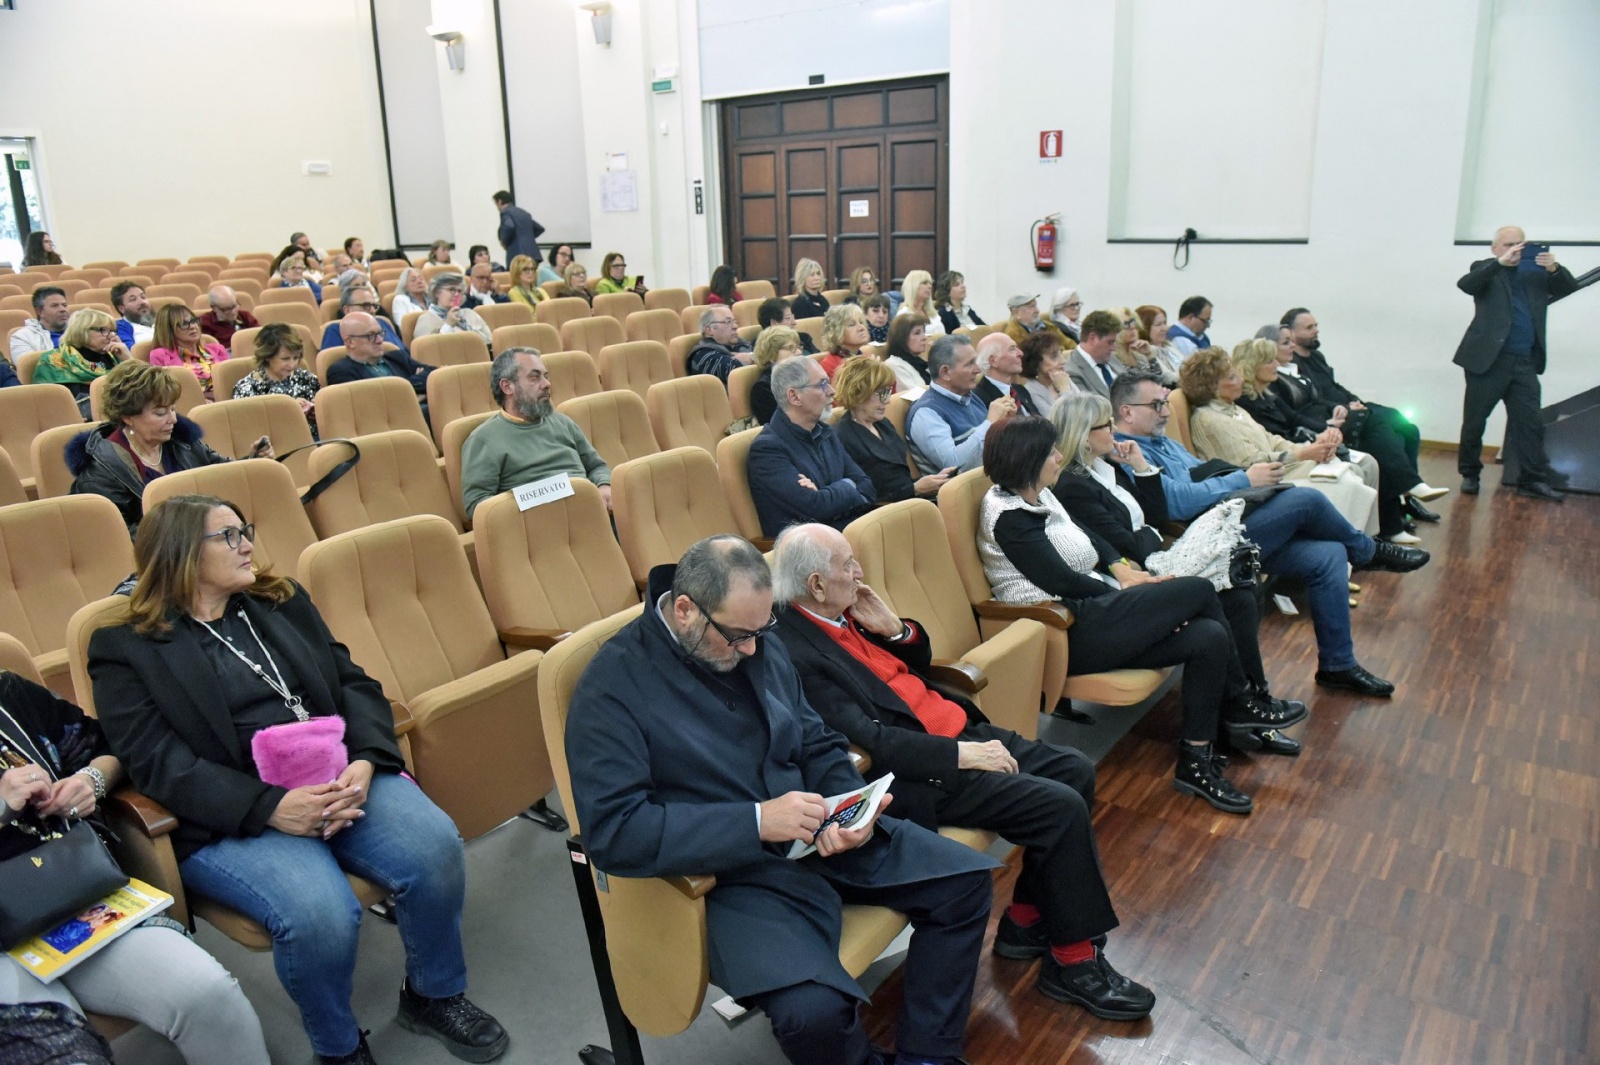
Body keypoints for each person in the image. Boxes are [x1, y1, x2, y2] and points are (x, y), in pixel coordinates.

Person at [88, 494, 510, 1065]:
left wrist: (365, 757)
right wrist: (271, 807)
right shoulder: (125, 646)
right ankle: (337, 1048)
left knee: (435, 846)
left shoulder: (279, 601)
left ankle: (433, 994)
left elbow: (353, 682)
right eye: (229, 536)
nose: (247, 545)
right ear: (182, 552)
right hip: (232, 810)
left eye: (246, 530)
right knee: (320, 914)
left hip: (339, 775)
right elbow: (158, 763)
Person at [565, 534, 998, 1065]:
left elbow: (814, 738)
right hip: (731, 873)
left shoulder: (749, 629)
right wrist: (755, 822)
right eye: (738, 637)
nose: (753, 649)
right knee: (812, 1012)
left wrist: (849, 804)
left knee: (967, 882)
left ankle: (927, 1055)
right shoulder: (612, 687)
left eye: (760, 631)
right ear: (684, 610)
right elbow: (615, 831)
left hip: (816, 830)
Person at [771, 523, 1157, 1018]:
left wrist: (894, 629)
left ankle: (1024, 921)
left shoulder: (845, 611)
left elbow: (918, 666)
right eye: (847, 564)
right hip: (922, 770)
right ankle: (1073, 962)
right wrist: (961, 756)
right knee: (1058, 807)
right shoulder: (795, 651)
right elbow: (873, 744)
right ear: (816, 585)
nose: (859, 572)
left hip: (956, 729)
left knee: (1075, 769)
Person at [978, 418, 1300, 813]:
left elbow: (1086, 537)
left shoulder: (1040, 493)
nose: (1060, 456)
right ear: (1027, 460)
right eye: (1051, 452)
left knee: (1208, 637)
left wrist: (1118, 568)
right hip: (1065, 629)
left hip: (1095, 610)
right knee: (1199, 590)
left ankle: (1196, 761)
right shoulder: (1008, 514)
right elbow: (1062, 580)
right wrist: (1136, 594)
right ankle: (1241, 704)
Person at [0, 663, 271, 1065]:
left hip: (73, 892)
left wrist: (89, 781)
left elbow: (110, 747)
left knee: (207, 993)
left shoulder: (10, 694)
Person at [1111, 369, 1428, 697]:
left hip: (1228, 521)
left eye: (1165, 402)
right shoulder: (1125, 451)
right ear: (1127, 411)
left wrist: (1240, 481)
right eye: (1157, 404)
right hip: (1201, 540)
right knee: (1306, 498)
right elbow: (1176, 503)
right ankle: (1368, 551)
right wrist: (1244, 479)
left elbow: (1199, 477)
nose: (1165, 411)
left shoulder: (1162, 441)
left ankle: (1338, 665)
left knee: (1329, 555)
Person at [1049, 391, 1308, 754]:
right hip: (1140, 570)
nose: (1113, 431)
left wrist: (1140, 467)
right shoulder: (1072, 486)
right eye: (1105, 425)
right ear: (1082, 434)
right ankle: (1243, 707)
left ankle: (1248, 705)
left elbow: (1154, 515)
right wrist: (1148, 536)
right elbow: (1129, 544)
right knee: (1229, 596)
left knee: (1243, 592)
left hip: (1158, 557)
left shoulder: (1107, 467)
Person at [1183, 346, 1378, 534]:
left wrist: (1311, 447)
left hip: (1278, 468)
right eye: (1233, 377)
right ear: (1212, 388)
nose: (1242, 379)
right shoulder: (1209, 419)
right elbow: (1247, 464)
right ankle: (1359, 545)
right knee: (1346, 478)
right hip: (1261, 483)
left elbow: (1272, 440)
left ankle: (1363, 542)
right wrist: (1303, 454)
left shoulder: (1234, 409)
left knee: (1348, 469)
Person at [66, 362, 272, 536]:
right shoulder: (100, 471)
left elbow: (220, 473)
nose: (173, 419)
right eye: (160, 413)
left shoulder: (183, 442)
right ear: (128, 417)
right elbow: (120, 538)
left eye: (172, 409)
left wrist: (252, 460)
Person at [1232, 338, 1402, 540]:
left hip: (1297, 447)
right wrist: (1308, 448)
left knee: (1369, 462)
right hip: (1286, 457)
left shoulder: (1267, 394)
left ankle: (1370, 535)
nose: (1277, 364)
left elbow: (1294, 419)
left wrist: (1326, 430)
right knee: (1353, 469)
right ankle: (1355, 541)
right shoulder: (1245, 401)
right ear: (1253, 365)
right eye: (1270, 361)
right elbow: (1273, 440)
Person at [1281, 308, 1446, 514]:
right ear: (1292, 333)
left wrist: (1354, 400)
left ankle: (1408, 493)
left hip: (1348, 406)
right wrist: (1344, 407)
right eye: (1309, 327)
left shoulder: (1316, 356)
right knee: (1384, 427)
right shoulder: (1293, 365)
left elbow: (1335, 386)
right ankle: (1408, 487)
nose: (1316, 330)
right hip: (1335, 414)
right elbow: (1315, 399)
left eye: (1316, 325)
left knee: (1407, 428)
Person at [1454, 225, 1578, 501]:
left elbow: (1570, 287)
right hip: (1487, 361)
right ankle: (1470, 474)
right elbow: (1466, 284)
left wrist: (1555, 269)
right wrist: (1500, 264)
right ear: (1495, 248)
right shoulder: (1486, 267)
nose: (1516, 249)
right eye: (1509, 244)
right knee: (1475, 421)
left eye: (1521, 243)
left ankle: (1531, 479)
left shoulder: (1536, 273)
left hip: (1524, 361)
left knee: (1529, 423)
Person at [460, 348, 611, 521]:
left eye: (546, 376)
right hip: (537, 528)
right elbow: (477, 505)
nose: (546, 384)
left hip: (592, 514)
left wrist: (604, 486)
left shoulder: (563, 422)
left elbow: (596, 466)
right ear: (507, 386)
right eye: (535, 377)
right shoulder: (483, 439)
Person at [748, 358, 875, 536]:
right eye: (822, 385)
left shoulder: (825, 432)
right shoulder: (768, 450)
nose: (832, 392)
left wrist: (827, 492)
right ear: (794, 396)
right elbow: (815, 507)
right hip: (812, 552)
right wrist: (848, 485)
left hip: (848, 531)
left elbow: (867, 486)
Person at [834, 357, 952, 502]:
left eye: (888, 391)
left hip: (911, 500)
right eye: (881, 393)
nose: (888, 400)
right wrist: (915, 489)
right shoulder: (843, 436)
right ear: (858, 393)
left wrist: (932, 481)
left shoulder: (882, 423)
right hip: (887, 512)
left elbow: (900, 477)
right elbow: (866, 496)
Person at [906, 334, 1016, 475]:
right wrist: (990, 423)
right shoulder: (926, 413)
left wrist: (1007, 424)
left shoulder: (969, 395)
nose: (978, 369)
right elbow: (954, 465)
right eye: (969, 364)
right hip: (963, 493)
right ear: (945, 372)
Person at [233, 323, 321, 436]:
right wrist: (288, 410)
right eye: (285, 359)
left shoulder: (306, 377)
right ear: (268, 356)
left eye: (296, 357)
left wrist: (317, 409)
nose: (292, 364)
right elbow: (250, 430)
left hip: (317, 439)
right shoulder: (247, 388)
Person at [32, 308, 128, 406]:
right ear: (82, 331)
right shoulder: (53, 360)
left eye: (113, 331)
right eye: (103, 330)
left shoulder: (115, 357)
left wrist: (128, 359)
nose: (111, 336)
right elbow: (45, 401)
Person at [328, 312, 433, 400]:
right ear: (350, 342)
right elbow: (371, 402)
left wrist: (405, 387)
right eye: (371, 336)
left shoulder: (397, 356)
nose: (379, 340)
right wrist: (417, 391)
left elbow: (432, 374)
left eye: (380, 333)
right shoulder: (340, 371)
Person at [149, 303, 230, 397]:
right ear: (169, 329)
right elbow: (165, 392)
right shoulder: (160, 355)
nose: (192, 326)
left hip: (225, 400)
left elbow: (230, 380)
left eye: (194, 321)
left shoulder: (217, 349)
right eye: (184, 324)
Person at [412, 273, 493, 348]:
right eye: (451, 289)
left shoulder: (470, 314)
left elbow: (490, 342)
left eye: (460, 291)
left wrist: (469, 332)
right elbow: (428, 351)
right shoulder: (426, 319)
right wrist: (448, 325)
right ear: (436, 292)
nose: (457, 294)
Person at [973, 333, 1042, 416]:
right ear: (993, 361)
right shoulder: (979, 400)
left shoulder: (1020, 390)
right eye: (1012, 349)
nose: (1020, 353)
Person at [319, 285, 403, 352]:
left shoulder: (383, 322)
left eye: (374, 306)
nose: (373, 310)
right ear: (347, 310)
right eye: (366, 306)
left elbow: (405, 354)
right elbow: (334, 365)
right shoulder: (334, 330)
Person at [749, 325, 804, 426]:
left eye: (798, 347)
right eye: (791, 348)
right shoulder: (763, 389)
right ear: (772, 355)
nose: (799, 352)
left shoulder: (804, 376)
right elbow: (779, 427)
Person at [687, 305, 754, 385]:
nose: (735, 326)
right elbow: (740, 375)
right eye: (728, 322)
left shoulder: (740, 343)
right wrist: (754, 357)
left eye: (734, 321)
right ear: (710, 330)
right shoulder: (704, 356)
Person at [1064, 310, 1122, 398]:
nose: (1114, 348)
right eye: (1110, 342)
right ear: (1092, 338)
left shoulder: (1112, 359)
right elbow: (1091, 408)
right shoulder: (1072, 372)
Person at [1017, 331, 1077, 414]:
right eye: (1054, 356)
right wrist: (1064, 390)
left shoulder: (1063, 378)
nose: (1063, 360)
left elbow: (1088, 410)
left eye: (1061, 353)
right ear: (1036, 362)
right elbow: (1061, 422)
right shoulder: (1031, 391)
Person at [9, 286, 70, 361]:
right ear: (40, 312)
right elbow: (26, 367)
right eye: (55, 306)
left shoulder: (81, 331)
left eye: (64, 305)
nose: (63, 309)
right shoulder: (22, 337)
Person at [818, 303, 870, 381]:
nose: (861, 328)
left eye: (861, 322)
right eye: (852, 324)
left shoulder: (867, 358)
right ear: (836, 332)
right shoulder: (828, 366)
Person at [198, 285, 259, 350]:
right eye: (227, 309)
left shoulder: (245, 316)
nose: (233, 312)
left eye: (234, 306)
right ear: (214, 308)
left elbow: (260, 336)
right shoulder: (204, 323)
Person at [493, 190, 545, 266]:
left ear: (500, 201)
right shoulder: (524, 213)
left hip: (518, 255)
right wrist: (528, 237)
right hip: (533, 255)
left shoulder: (506, 212)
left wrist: (504, 241)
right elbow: (539, 228)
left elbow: (509, 226)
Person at [1001, 293, 1069, 351]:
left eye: (1036, 305)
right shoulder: (1013, 335)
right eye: (1031, 307)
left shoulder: (1049, 326)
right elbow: (1027, 360)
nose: (1037, 310)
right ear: (1017, 313)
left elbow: (1070, 345)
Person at [882, 312, 932, 391]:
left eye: (923, 332)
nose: (924, 337)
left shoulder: (918, 361)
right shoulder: (893, 364)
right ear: (902, 337)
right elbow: (916, 394)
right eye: (917, 333)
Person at [1133, 304, 1183, 381]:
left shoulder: (1170, 346)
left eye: (1164, 323)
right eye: (1158, 325)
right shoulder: (1144, 352)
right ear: (1145, 328)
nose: (1165, 328)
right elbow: (1167, 377)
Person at [895, 270, 944, 337]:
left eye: (930, 283)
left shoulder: (932, 313)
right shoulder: (904, 313)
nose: (929, 286)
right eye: (924, 283)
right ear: (913, 286)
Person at [111, 281, 156, 347]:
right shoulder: (121, 327)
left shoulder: (162, 321)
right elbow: (130, 352)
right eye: (133, 299)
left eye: (143, 297)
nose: (142, 302)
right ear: (121, 308)